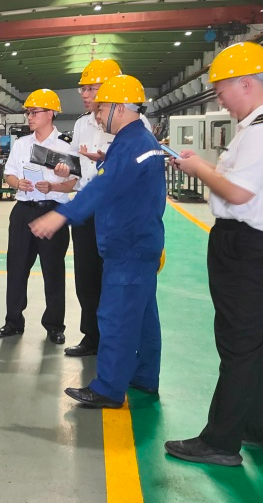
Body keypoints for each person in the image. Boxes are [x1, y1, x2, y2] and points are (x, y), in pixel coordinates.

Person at [165, 42, 263, 467]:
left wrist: (199, 170)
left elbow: (239, 192)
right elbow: (241, 179)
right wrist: (201, 164)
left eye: (222, 91)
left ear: (246, 83)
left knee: (239, 342)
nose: (220, 100)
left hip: (256, 246)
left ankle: (220, 441)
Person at [30, 75, 166, 408]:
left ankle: (108, 388)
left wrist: (62, 215)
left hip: (128, 245)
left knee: (116, 317)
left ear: (119, 108)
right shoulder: (140, 139)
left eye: (102, 107)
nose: (98, 112)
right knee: (144, 316)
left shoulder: (130, 144)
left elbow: (102, 187)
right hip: (142, 240)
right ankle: (145, 376)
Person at [54, 58, 152, 357]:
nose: (85, 94)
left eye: (92, 88)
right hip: (87, 208)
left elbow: (125, 172)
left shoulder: (132, 125)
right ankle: (92, 337)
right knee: (86, 277)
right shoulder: (82, 123)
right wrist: (64, 169)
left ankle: (116, 342)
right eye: (83, 88)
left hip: (117, 213)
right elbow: (74, 161)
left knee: (115, 279)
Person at [0, 89, 76, 343]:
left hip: (53, 211)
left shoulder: (66, 145)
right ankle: (13, 322)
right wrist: (17, 183)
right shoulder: (22, 144)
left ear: (50, 113)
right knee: (16, 268)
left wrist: (53, 186)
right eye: (28, 113)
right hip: (23, 211)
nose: (29, 117)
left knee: (53, 271)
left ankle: (54, 325)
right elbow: (9, 174)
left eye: (34, 112)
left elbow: (75, 183)